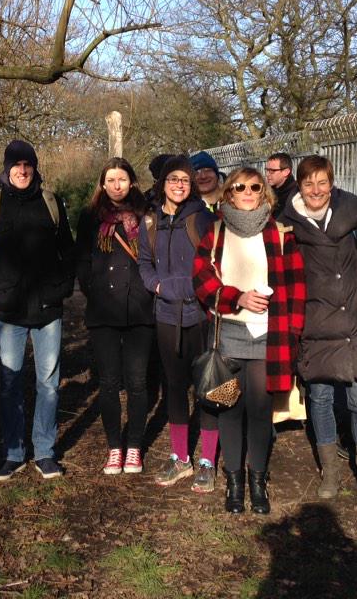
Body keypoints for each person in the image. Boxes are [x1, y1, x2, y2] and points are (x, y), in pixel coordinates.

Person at [280, 155, 357, 505]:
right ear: (298, 186)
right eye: (308, 183)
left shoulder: (354, 214)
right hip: (314, 322)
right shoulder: (287, 223)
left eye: (322, 182)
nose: (316, 190)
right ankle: (330, 471)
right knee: (320, 398)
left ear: (332, 182)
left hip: (355, 321)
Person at [192, 167, 306, 514]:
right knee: (229, 408)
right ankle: (234, 481)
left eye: (254, 186)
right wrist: (235, 298)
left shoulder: (281, 233)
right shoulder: (216, 232)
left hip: (268, 335)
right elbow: (200, 279)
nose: (247, 191)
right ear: (229, 192)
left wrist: (293, 334)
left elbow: (298, 289)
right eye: (239, 186)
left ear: (264, 193)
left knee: (259, 409)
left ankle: (257, 480)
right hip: (227, 332)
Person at [0, 140, 75, 482]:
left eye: (28, 164)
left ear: (35, 167)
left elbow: (68, 251)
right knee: (9, 383)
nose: (22, 170)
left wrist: (62, 289)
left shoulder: (51, 202)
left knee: (49, 384)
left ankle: (45, 451)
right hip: (10, 311)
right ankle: (13, 453)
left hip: (48, 309)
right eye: (16, 165)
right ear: (7, 168)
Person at [137, 155, 219, 492]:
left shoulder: (202, 218)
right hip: (167, 315)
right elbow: (144, 262)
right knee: (174, 387)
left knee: (210, 387)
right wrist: (157, 286)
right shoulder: (151, 221)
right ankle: (181, 456)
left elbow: (216, 261)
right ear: (163, 184)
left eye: (184, 180)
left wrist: (194, 290)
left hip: (201, 315)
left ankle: (208, 461)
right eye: (173, 180)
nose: (179, 185)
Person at [75, 158, 153, 474]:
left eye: (122, 179)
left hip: (139, 308)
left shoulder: (146, 216)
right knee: (108, 383)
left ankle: (134, 446)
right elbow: (81, 258)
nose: (116, 185)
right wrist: (92, 289)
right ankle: (113, 448)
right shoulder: (90, 217)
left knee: (137, 381)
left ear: (131, 182)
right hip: (104, 309)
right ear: (103, 184)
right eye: (110, 180)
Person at [264, 153, 298, 219]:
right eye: (267, 170)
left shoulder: (295, 194)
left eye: (272, 171)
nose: (267, 174)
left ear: (286, 172)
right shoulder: (268, 192)